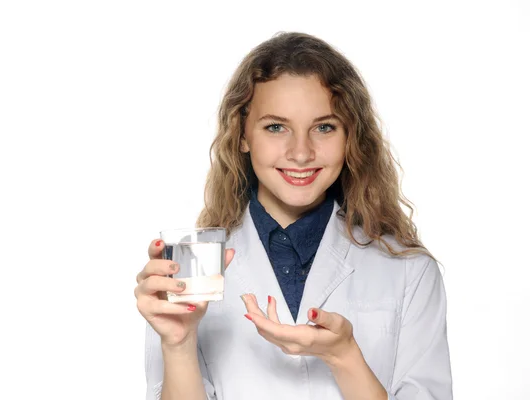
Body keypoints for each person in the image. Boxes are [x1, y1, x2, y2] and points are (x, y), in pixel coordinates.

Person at [135, 31, 452, 400]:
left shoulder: (409, 270)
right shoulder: (189, 272)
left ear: (351, 136)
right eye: (275, 127)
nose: (301, 153)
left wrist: (344, 356)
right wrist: (179, 341)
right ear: (242, 135)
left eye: (324, 127)